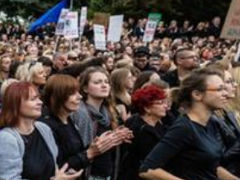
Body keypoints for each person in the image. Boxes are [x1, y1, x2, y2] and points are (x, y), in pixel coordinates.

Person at [139, 68, 240, 180]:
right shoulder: (184, 128)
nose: (226, 94)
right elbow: (148, 170)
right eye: (220, 89)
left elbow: (211, 167)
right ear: (197, 95)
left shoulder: (212, 123)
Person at [41, 74, 119, 172]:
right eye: (73, 94)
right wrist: (90, 153)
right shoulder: (46, 125)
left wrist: (99, 144)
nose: (80, 96)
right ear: (59, 96)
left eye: (106, 82)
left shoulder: (67, 119)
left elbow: (76, 151)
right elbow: (56, 165)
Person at [71, 67, 133, 180]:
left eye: (106, 82)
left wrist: (118, 136)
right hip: (89, 174)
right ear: (85, 88)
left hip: (106, 172)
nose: (104, 85)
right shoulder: (80, 112)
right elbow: (79, 148)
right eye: (97, 82)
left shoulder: (108, 111)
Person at [119, 85, 169, 180]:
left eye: (165, 102)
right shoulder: (140, 130)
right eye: (160, 103)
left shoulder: (159, 124)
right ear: (147, 108)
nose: (165, 106)